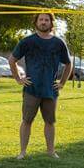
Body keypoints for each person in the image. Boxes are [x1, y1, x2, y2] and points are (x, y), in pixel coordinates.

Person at [9, 12, 72, 159]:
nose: (43, 22)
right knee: (27, 121)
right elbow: (12, 60)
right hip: (32, 89)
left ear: (51, 23)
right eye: (41, 19)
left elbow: (68, 63)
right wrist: (18, 79)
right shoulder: (27, 41)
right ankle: (22, 152)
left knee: (50, 122)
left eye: (46, 20)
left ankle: (51, 151)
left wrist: (62, 82)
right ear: (36, 22)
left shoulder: (58, 42)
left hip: (50, 90)